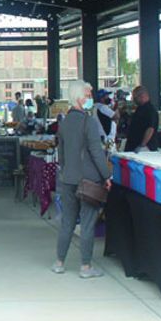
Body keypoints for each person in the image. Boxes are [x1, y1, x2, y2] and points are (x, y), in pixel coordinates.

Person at [52, 82, 112, 278]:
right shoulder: (89, 122)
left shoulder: (64, 121)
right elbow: (96, 151)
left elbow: (60, 152)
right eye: (88, 94)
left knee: (68, 221)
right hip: (89, 180)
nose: (91, 97)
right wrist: (106, 175)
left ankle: (59, 262)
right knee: (87, 224)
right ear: (79, 98)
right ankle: (85, 267)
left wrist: (65, 170)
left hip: (68, 178)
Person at [124, 85, 157, 152]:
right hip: (133, 144)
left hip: (143, 147)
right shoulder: (140, 108)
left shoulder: (150, 110)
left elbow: (150, 129)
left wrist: (142, 145)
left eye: (135, 98)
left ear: (142, 96)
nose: (134, 100)